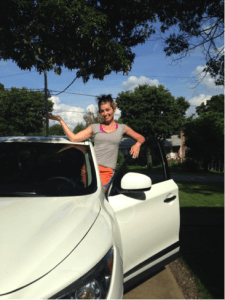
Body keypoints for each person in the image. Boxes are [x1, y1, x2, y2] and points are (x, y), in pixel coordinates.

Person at [46, 94, 145, 194]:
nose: (105, 113)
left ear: (114, 109)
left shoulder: (122, 128)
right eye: (102, 111)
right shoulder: (94, 127)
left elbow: (141, 138)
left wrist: (137, 144)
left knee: (99, 198)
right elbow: (74, 138)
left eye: (107, 109)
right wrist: (60, 120)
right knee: (87, 199)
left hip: (107, 171)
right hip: (90, 169)